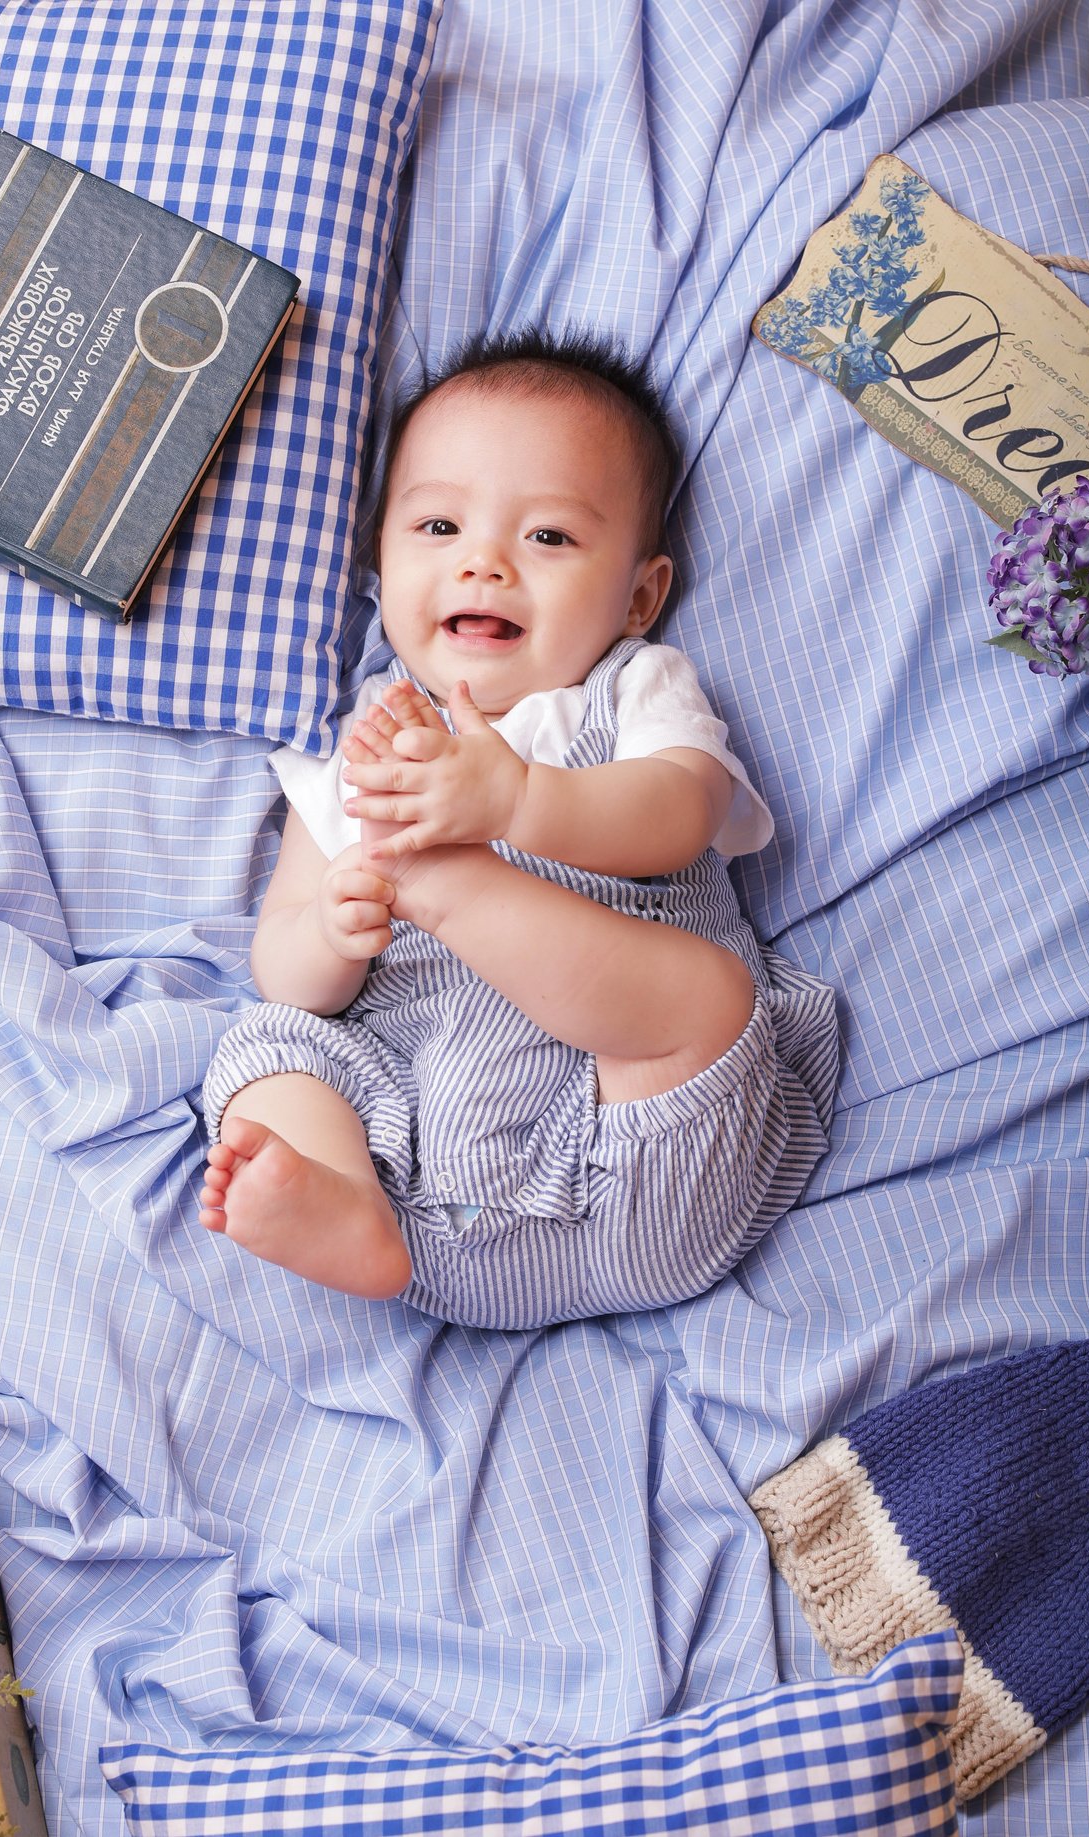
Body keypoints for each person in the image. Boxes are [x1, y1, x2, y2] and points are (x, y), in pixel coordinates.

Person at [197, 327, 838, 1329]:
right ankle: (332, 1200)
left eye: (547, 537)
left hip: (654, 1155)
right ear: (379, 558)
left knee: (704, 998)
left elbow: (682, 813)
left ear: (638, 595)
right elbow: (286, 967)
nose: (485, 563)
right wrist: (331, 930)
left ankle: (445, 885)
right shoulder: (353, 764)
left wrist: (516, 805)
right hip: (438, 1213)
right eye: (439, 526)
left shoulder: (627, 693)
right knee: (267, 1045)